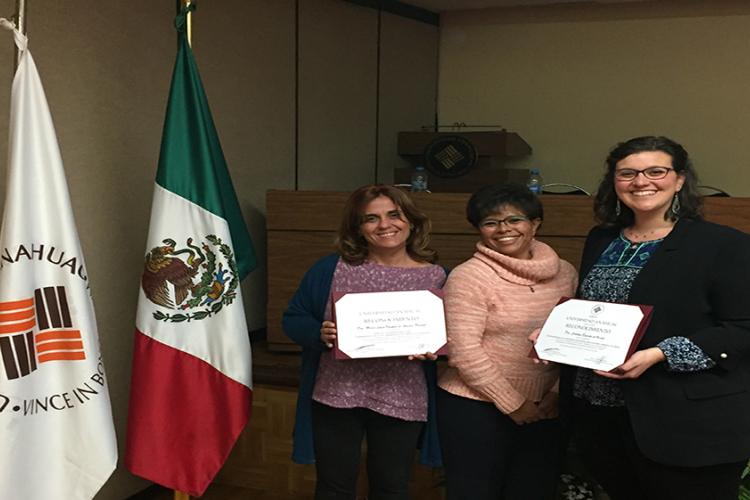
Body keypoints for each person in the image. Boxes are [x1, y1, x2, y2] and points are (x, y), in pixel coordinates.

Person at [563, 136, 750, 500]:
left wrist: (660, 353)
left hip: (687, 425)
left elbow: (743, 328)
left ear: (679, 179)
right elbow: (593, 309)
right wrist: (557, 335)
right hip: (603, 415)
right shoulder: (602, 239)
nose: (641, 181)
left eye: (656, 171)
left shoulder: (723, 245)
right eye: (627, 173)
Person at [282, 184, 445, 500]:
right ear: (358, 229)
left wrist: (437, 350)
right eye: (371, 218)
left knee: (391, 487)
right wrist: (318, 333)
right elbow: (293, 318)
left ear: (410, 220)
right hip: (335, 396)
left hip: (403, 397)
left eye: (394, 215)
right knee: (334, 487)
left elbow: (453, 336)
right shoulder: (330, 268)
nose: (385, 225)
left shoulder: (438, 277)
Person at [437, 183, 578, 500]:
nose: (503, 229)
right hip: (476, 407)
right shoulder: (468, 276)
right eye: (490, 222)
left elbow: (573, 338)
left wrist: (556, 393)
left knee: (533, 490)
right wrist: (515, 404)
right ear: (479, 229)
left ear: (535, 223)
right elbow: (464, 352)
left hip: (547, 407)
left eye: (515, 219)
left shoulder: (566, 273)